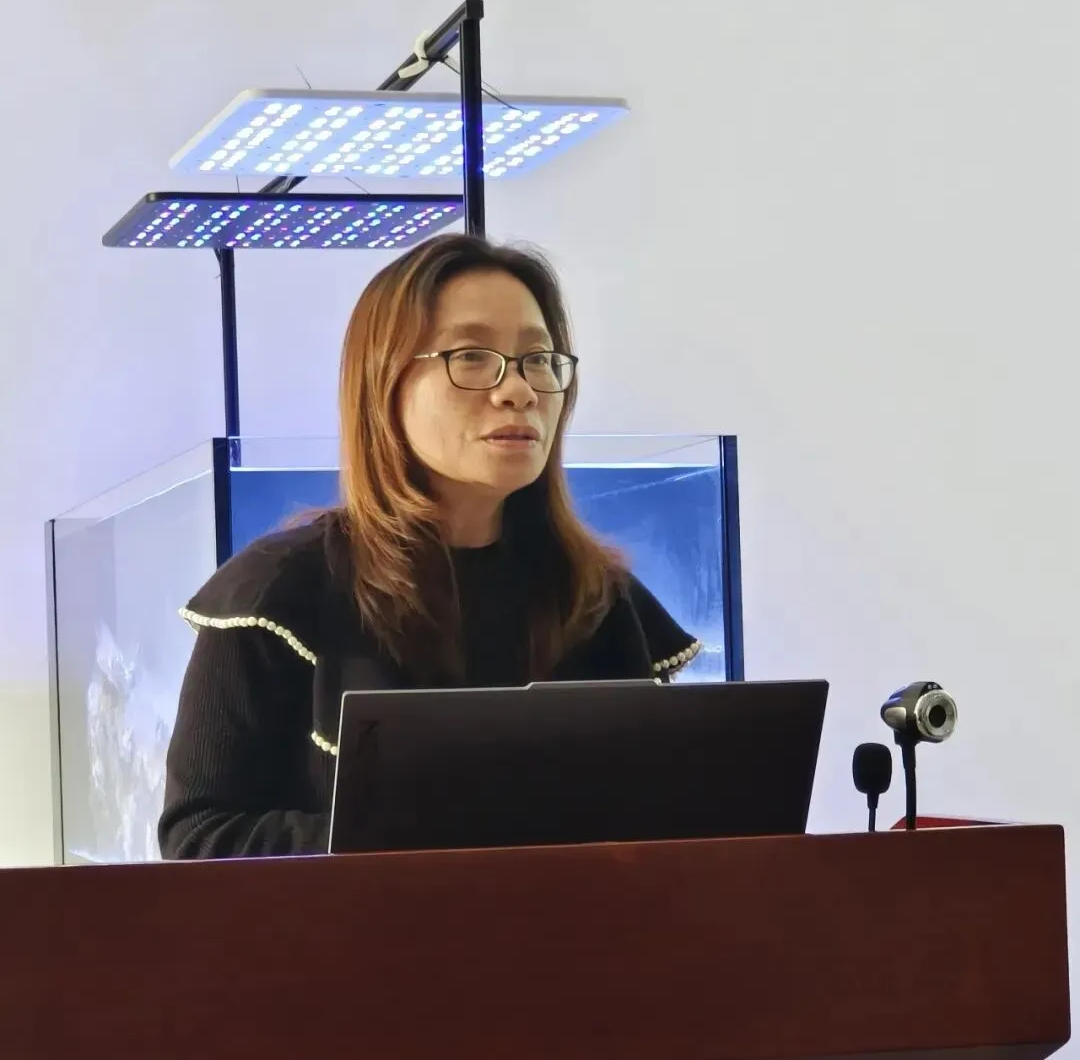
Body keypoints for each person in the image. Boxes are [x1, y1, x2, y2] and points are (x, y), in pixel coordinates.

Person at [159, 233, 701, 859]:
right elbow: (199, 837)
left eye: (538, 359)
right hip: (365, 925)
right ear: (383, 383)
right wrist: (431, 834)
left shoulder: (601, 597)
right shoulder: (277, 593)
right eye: (471, 357)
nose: (519, 390)